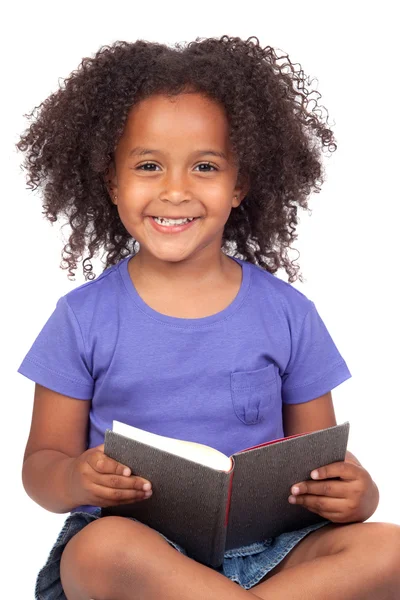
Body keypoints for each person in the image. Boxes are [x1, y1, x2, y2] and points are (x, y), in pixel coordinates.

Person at [17, 35, 400, 600]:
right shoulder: (82, 318)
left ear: (239, 185)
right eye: (149, 166)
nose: (175, 191)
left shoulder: (288, 313)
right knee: (98, 552)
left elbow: (321, 460)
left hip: (274, 547)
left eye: (204, 166)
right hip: (140, 550)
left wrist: (356, 495)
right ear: (112, 182)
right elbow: (41, 466)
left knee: (390, 549)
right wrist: (77, 477)